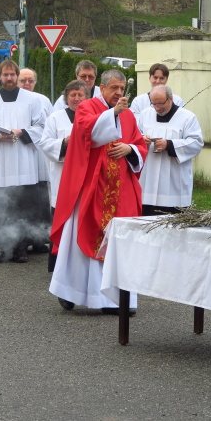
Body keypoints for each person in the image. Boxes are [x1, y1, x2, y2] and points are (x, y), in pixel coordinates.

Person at [49, 69, 147, 314]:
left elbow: (139, 145)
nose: (118, 93)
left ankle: (115, 299)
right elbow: (86, 134)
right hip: (91, 188)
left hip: (119, 188)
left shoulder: (129, 116)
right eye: (114, 88)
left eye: (122, 89)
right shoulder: (87, 107)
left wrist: (129, 149)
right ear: (101, 88)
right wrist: (112, 114)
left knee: (118, 241)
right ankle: (70, 290)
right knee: (81, 237)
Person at [0, 59, 45, 263]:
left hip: (24, 162)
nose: (9, 78)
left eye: (13, 74)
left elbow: (42, 126)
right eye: (5, 74)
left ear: (17, 75)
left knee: (22, 206)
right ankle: (4, 246)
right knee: (1, 206)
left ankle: (21, 247)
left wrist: (22, 132)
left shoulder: (32, 100)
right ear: (0, 76)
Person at [36, 80, 88, 272]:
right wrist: (65, 143)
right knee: (62, 222)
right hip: (63, 178)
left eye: (80, 95)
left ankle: (82, 263)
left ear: (86, 97)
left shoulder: (94, 117)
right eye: (73, 95)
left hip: (86, 178)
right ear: (66, 98)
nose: (76, 98)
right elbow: (45, 143)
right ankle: (58, 265)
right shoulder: (55, 118)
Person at [137, 85, 203, 215]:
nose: (157, 108)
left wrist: (169, 145)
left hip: (174, 182)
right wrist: (142, 140)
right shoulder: (145, 114)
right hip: (147, 181)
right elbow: (135, 136)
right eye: (154, 104)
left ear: (171, 99)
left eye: (161, 103)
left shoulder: (187, 117)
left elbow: (196, 142)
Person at [17, 68, 54, 254]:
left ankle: (40, 239)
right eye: (23, 80)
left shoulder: (43, 100)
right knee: (26, 200)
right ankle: (23, 240)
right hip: (22, 156)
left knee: (41, 200)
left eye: (30, 81)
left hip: (40, 155)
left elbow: (49, 126)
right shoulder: (14, 101)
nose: (27, 84)